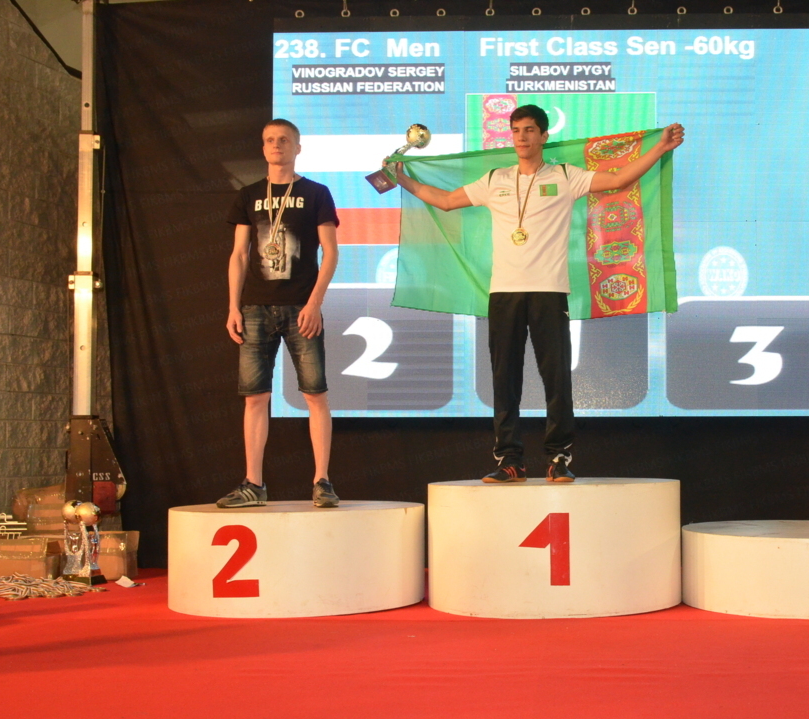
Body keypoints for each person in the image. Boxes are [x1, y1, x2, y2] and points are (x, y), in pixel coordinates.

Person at [397, 105, 684, 483]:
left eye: (530, 130)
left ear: (544, 136)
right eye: (516, 130)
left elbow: (618, 179)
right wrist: (401, 178)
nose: (522, 137)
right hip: (504, 292)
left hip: (550, 290)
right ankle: (509, 460)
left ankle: (559, 457)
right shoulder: (496, 179)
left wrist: (660, 148)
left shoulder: (565, 176)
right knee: (504, 378)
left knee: (556, 378)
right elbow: (447, 201)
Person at [218, 118, 341, 508]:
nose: (276, 145)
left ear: (297, 147)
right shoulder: (249, 194)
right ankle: (253, 484)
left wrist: (315, 303)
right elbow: (239, 255)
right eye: (269, 140)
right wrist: (232, 306)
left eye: (284, 140)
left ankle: (322, 481)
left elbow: (331, 252)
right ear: (263, 148)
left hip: (302, 306)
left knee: (315, 394)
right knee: (255, 397)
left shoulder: (316, 193)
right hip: (255, 307)